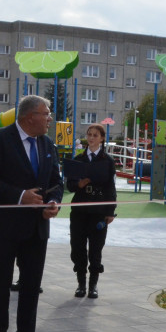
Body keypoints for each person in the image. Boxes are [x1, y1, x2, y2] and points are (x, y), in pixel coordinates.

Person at [0, 95, 62, 332]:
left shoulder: (48, 144)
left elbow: (56, 183)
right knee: (0, 286)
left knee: (31, 287)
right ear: (30, 116)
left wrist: (54, 203)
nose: (50, 118)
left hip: (37, 230)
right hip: (5, 228)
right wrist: (19, 196)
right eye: (46, 113)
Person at [65, 124, 117, 299]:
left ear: (102, 138)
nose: (92, 138)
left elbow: (111, 187)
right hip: (79, 209)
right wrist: (77, 184)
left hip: (98, 211)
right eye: (89, 134)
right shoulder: (78, 159)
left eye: (95, 135)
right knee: (77, 247)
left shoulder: (107, 161)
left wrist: (110, 211)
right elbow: (69, 184)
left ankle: (93, 285)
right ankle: (81, 283)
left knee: (95, 248)